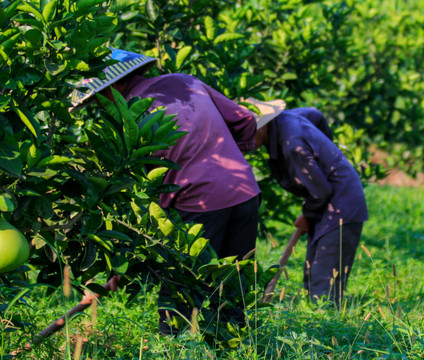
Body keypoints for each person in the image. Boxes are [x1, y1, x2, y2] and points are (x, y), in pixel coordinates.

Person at [71, 49, 261, 334]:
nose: (99, 105)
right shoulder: (185, 81)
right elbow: (245, 119)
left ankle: (173, 350)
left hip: (198, 201)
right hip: (245, 189)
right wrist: (229, 153)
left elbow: (142, 190)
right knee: (234, 288)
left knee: (180, 294)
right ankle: (235, 350)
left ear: (114, 86)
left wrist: (127, 255)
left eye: (99, 97)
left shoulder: (130, 116)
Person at [245, 98, 369, 305]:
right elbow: (315, 114)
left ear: (262, 125)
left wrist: (308, 214)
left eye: (246, 131)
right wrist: (326, 150)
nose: (242, 140)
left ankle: (329, 331)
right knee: (312, 271)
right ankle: (319, 322)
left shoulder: (291, 145)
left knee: (324, 279)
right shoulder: (286, 119)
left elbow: (320, 191)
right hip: (328, 202)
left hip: (340, 205)